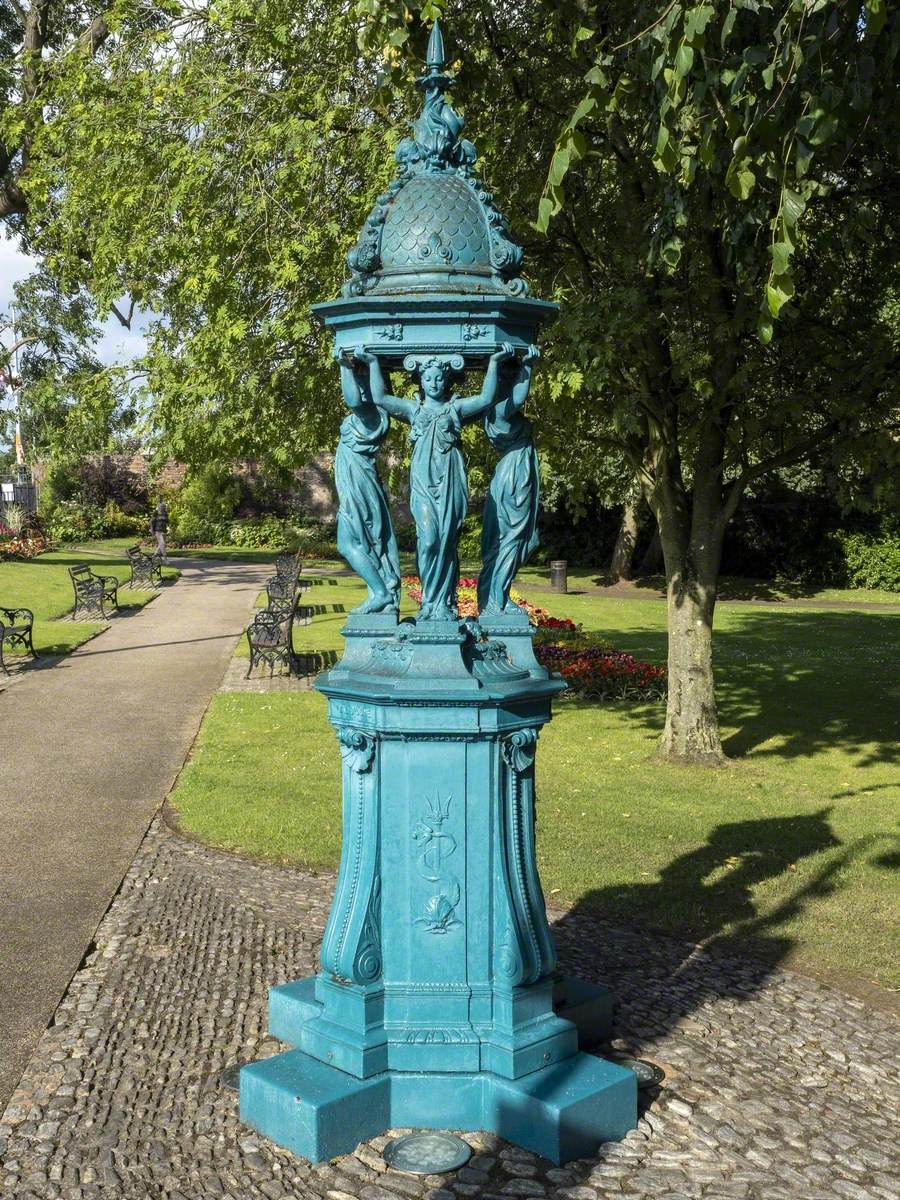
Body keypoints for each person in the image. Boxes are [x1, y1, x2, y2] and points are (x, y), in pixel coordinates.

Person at [355, 344, 514, 621]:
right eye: (428, 378)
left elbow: (488, 397)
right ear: (420, 380)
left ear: (447, 379)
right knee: (428, 539)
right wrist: (371, 363)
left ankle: (443, 604)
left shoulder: (455, 409)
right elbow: (379, 397)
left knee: (447, 540)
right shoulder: (413, 410)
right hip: (423, 482)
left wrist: (495, 362)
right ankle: (430, 599)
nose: (433, 383)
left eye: (439, 378)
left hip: (450, 480)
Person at [334, 351, 401, 614]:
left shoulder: (372, 415)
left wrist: (343, 367)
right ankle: (381, 590)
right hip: (355, 484)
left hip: (358, 487)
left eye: (363, 374)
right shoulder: (369, 414)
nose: (358, 379)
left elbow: (352, 400)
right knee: (357, 543)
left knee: (347, 544)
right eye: (357, 373)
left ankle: (381, 593)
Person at [478, 346, 541, 616]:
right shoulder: (499, 412)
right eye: (512, 374)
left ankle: (491, 597)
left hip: (511, 473)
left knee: (518, 539)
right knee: (512, 538)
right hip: (515, 475)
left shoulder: (496, 411)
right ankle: (497, 600)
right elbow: (518, 398)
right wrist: (527, 367)